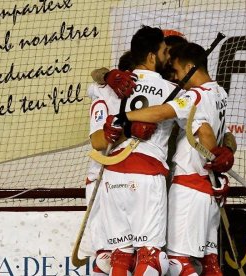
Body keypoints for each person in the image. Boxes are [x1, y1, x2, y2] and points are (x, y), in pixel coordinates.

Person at [109, 42, 235, 275]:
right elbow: (223, 134)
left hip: (189, 185)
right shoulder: (220, 93)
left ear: (189, 66)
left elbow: (164, 113)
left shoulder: (194, 96)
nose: (176, 78)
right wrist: (221, 164)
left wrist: (123, 117)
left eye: (177, 71)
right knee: (210, 264)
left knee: (177, 263)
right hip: (210, 190)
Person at [101, 25, 180, 276]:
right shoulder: (171, 90)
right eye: (164, 51)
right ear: (151, 57)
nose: (167, 57)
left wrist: (106, 76)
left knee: (121, 257)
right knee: (152, 258)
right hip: (146, 175)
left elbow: (96, 81)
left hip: (112, 175)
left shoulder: (113, 87)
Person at [86, 51, 152, 275]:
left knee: (137, 256)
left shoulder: (153, 92)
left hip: (135, 179)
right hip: (102, 179)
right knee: (106, 259)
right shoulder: (104, 95)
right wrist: (106, 76)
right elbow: (97, 141)